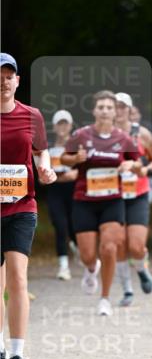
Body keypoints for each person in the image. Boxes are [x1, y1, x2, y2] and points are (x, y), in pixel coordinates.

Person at [0, 52, 57, 359]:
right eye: (0, 75)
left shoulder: (31, 116)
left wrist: (45, 168)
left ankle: (18, 356)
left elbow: (40, 151)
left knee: (18, 278)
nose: (4, 81)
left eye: (9, 75)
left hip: (22, 205)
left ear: (18, 81)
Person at [60, 90, 140, 317]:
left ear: (116, 112)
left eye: (109, 107)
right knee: (87, 254)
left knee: (109, 247)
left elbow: (136, 162)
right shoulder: (81, 135)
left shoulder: (123, 139)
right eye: (101, 107)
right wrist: (75, 159)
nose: (105, 111)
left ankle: (104, 298)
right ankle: (90, 268)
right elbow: (64, 158)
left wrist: (128, 166)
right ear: (94, 111)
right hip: (84, 200)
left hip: (112, 201)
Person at [113, 92, 152, 305]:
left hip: (138, 193)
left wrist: (146, 170)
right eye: (116, 106)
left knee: (136, 245)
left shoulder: (141, 134)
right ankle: (127, 290)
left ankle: (141, 269)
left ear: (130, 110)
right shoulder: (103, 136)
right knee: (119, 243)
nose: (119, 110)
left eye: (123, 106)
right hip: (113, 195)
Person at [45, 109, 78, 280]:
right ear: (54, 126)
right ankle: (63, 266)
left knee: (74, 227)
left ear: (71, 125)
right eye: (60, 123)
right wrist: (61, 176)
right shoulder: (48, 149)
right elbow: (43, 178)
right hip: (54, 193)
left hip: (74, 192)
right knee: (60, 226)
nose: (63, 126)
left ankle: (79, 249)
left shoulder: (76, 148)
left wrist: (58, 176)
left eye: (65, 123)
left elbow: (78, 174)